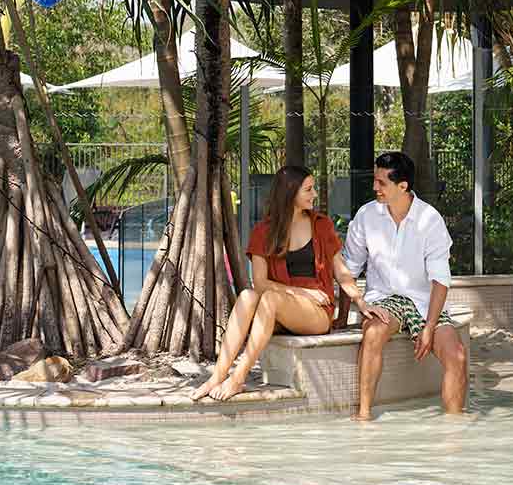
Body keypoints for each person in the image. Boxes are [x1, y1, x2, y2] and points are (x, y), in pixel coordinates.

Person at [191, 165, 366, 401]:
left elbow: (342, 273)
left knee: (270, 299)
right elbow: (260, 283)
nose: (314, 194)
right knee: (247, 296)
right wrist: (301, 292)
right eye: (308, 189)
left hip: (315, 312)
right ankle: (217, 376)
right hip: (279, 307)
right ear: (290, 192)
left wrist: (361, 303)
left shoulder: (321, 225)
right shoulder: (264, 231)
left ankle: (238, 377)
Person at [342, 151, 468, 420]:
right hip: (384, 299)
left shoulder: (430, 220)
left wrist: (429, 327)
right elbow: (348, 269)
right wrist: (341, 319)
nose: (375, 187)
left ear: (403, 186)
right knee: (373, 333)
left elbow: (440, 280)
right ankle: (363, 416)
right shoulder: (366, 215)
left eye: (381, 183)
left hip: (423, 301)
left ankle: (455, 426)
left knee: (457, 355)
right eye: (375, 180)